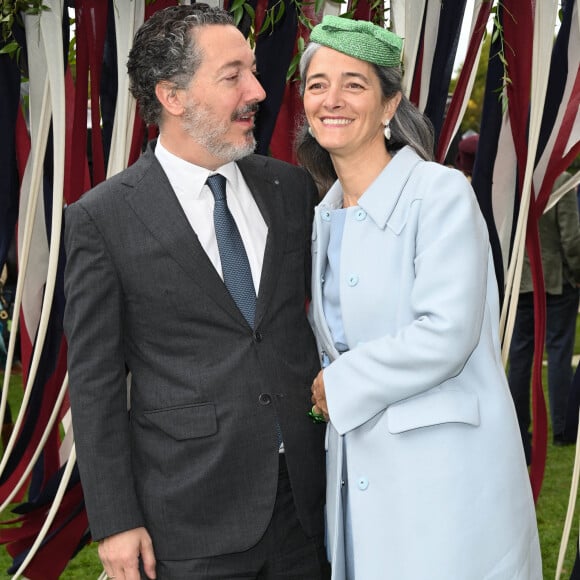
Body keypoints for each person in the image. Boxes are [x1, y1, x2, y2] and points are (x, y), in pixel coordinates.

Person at [63, 5, 329, 579]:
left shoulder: (288, 188)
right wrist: (113, 521)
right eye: (233, 76)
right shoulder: (102, 218)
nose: (257, 90)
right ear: (173, 96)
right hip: (189, 518)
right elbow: (95, 382)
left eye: (252, 71)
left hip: (306, 507)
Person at [297, 15, 542, 580]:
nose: (332, 99)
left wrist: (340, 383)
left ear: (389, 105)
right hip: (358, 481)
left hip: (444, 485)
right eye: (317, 84)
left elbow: (446, 333)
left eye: (354, 84)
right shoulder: (321, 217)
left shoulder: (440, 193)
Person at [508, 171, 580, 460]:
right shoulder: (559, 178)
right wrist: (577, 273)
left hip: (519, 281)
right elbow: (572, 237)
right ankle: (563, 429)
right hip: (556, 280)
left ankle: (518, 431)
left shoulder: (512, 178)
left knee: (520, 359)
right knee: (559, 353)